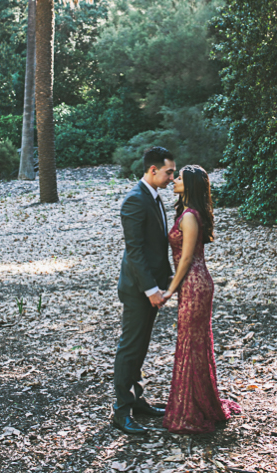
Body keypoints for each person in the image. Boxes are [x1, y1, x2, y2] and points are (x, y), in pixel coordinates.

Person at [161, 165, 240, 433]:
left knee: (191, 345)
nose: (175, 180)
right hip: (192, 284)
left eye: (180, 178)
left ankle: (193, 409)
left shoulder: (190, 217)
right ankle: (196, 402)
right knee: (192, 343)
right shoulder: (185, 213)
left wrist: (171, 288)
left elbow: (186, 258)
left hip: (194, 284)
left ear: (191, 185)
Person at [112, 146, 176, 436]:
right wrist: (151, 289)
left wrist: (167, 281)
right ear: (153, 170)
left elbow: (156, 248)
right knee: (129, 348)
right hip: (138, 289)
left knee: (140, 347)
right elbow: (135, 252)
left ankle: (137, 401)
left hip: (151, 287)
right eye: (169, 172)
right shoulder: (135, 201)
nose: (172, 177)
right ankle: (121, 410)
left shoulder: (153, 197)